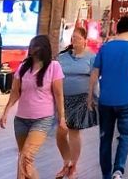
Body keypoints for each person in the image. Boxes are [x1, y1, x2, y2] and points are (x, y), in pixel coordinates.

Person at [0, 34, 67, 179]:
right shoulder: (23, 67)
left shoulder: (54, 67)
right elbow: (15, 92)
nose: (32, 49)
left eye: (35, 46)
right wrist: (6, 111)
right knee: (23, 158)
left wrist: (62, 117)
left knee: (26, 157)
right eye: (31, 46)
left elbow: (59, 94)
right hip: (21, 119)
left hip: (42, 119)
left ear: (43, 49)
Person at [90, 16, 128, 179]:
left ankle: (106, 174)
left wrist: (90, 96)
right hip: (126, 98)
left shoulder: (105, 48)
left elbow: (95, 73)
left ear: (117, 29)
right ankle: (118, 169)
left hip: (106, 99)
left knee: (105, 137)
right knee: (125, 135)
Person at [55, 27, 96, 179]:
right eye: (73, 37)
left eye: (78, 38)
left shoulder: (92, 57)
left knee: (74, 132)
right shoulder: (62, 57)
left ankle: (74, 166)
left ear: (85, 40)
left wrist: (92, 98)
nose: (74, 40)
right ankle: (67, 162)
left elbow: (94, 79)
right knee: (60, 133)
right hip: (62, 99)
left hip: (81, 98)